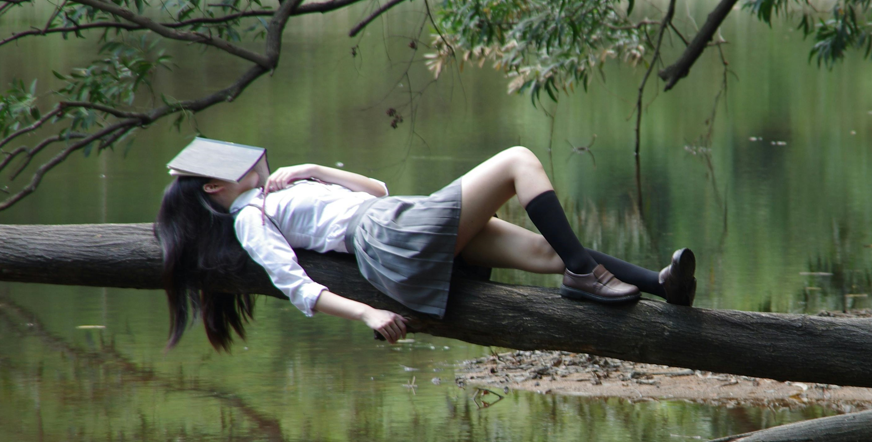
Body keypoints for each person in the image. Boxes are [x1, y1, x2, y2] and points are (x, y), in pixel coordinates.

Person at [155, 146, 696, 350]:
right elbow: (295, 284)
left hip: (395, 217)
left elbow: (378, 190)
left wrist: (315, 169)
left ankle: (659, 285)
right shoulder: (250, 218)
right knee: (517, 161)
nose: (252, 162)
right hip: (390, 237)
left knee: (546, 252)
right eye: (235, 165)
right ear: (215, 187)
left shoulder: (275, 192)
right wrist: (367, 313)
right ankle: (583, 275)